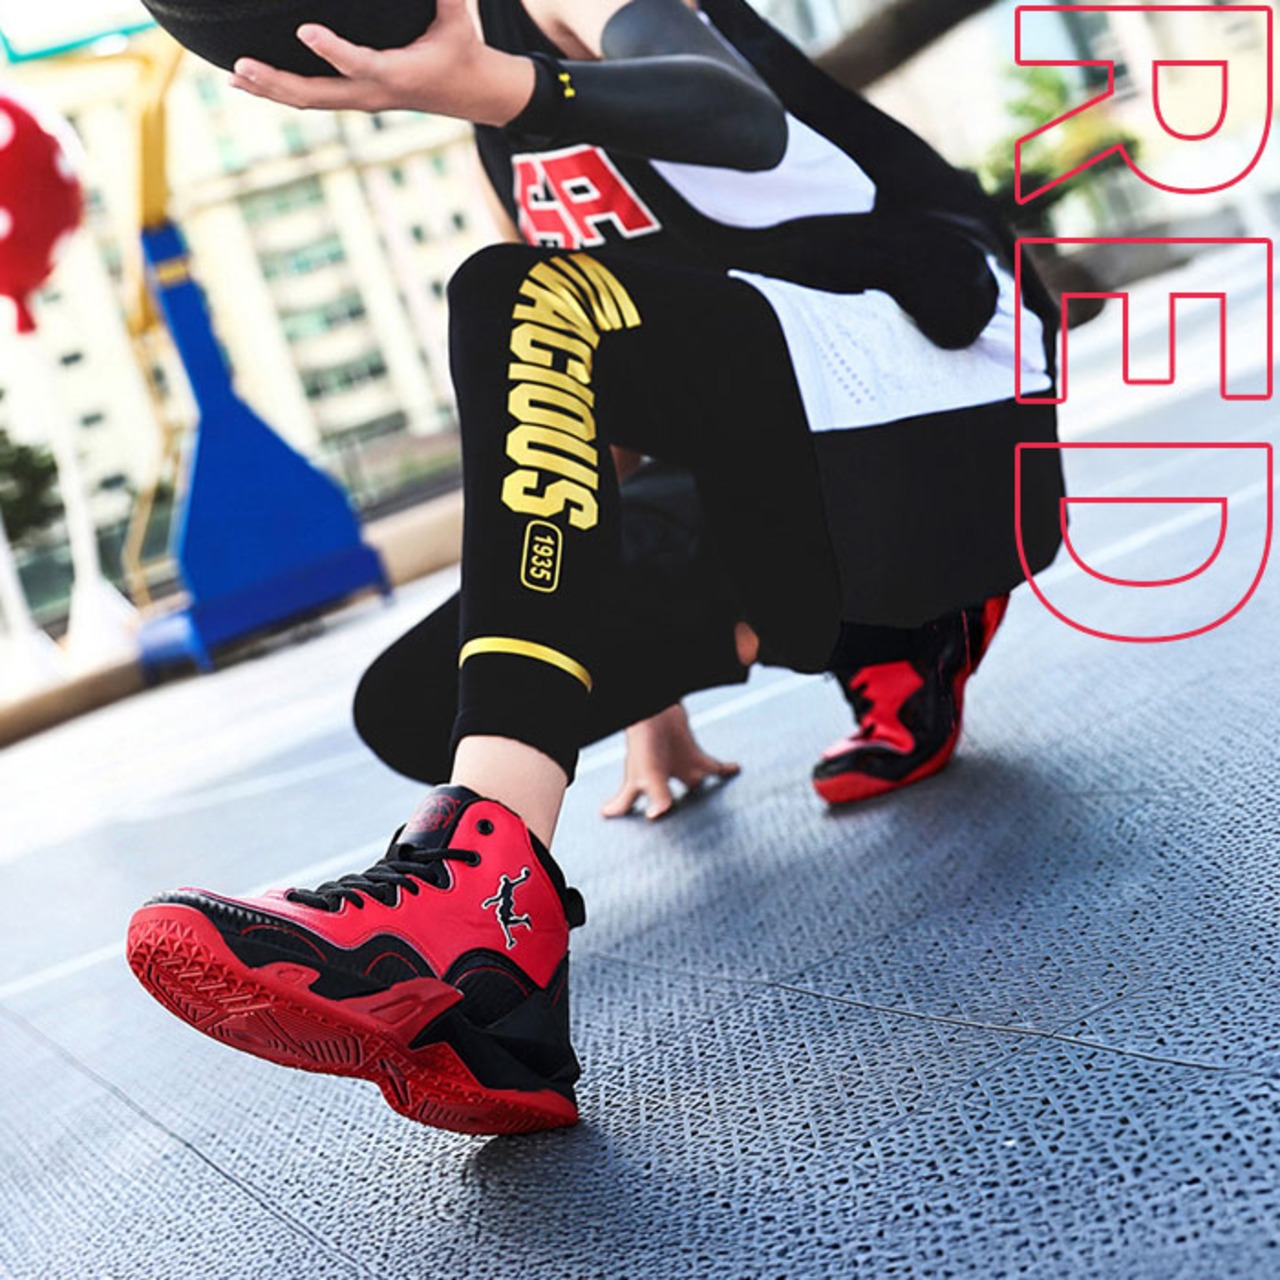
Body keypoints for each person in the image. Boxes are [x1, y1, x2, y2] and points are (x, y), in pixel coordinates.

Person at [126, 0, 1065, 1136]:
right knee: (417, 701)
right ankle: (499, 1022)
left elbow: (738, 112)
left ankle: (481, 889)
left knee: (508, 295)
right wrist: (646, 701)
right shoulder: (489, 137)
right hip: (791, 449)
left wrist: (497, 85)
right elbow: (577, 408)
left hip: (949, 385)